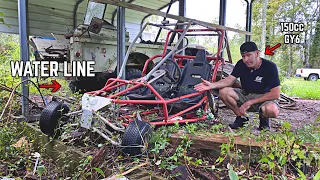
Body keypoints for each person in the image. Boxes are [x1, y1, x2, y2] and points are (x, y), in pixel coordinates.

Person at [194, 41, 280, 130]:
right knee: (224, 92)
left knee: (272, 110)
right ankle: (241, 117)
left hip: (263, 98)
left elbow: (275, 94)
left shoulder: (270, 67)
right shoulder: (241, 64)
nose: (246, 59)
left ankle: (264, 119)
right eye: (243, 56)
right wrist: (212, 85)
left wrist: (250, 102)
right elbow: (229, 80)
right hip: (245, 94)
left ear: (257, 53)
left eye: (249, 55)